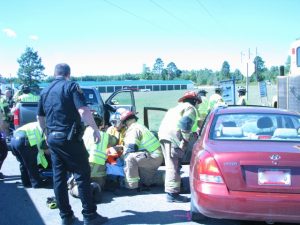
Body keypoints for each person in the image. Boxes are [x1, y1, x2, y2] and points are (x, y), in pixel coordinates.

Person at [37, 63, 108, 225]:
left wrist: (47, 134)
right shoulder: (71, 87)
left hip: (53, 139)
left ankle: (66, 217)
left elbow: (40, 118)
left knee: (59, 177)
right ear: (68, 74)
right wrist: (95, 129)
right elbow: (83, 111)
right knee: (82, 175)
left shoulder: (45, 91)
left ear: (55, 74)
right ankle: (90, 216)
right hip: (69, 139)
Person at [158, 91, 201, 203]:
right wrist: (185, 140)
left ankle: (172, 190)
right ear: (195, 101)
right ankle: (172, 194)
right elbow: (185, 124)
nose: (198, 105)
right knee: (174, 165)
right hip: (173, 138)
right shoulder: (190, 108)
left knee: (170, 164)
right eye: (198, 103)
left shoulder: (174, 109)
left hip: (164, 136)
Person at [117, 110, 163, 194]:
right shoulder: (139, 126)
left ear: (126, 121)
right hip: (154, 157)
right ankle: (167, 178)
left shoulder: (133, 129)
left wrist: (121, 156)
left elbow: (132, 148)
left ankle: (131, 188)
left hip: (152, 157)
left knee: (129, 158)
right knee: (146, 180)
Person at [10, 121, 51, 188]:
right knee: (32, 164)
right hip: (25, 141)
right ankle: (37, 183)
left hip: (14, 140)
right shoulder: (46, 128)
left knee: (23, 163)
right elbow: (46, 150)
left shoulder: (36, 124)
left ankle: (26, 182)